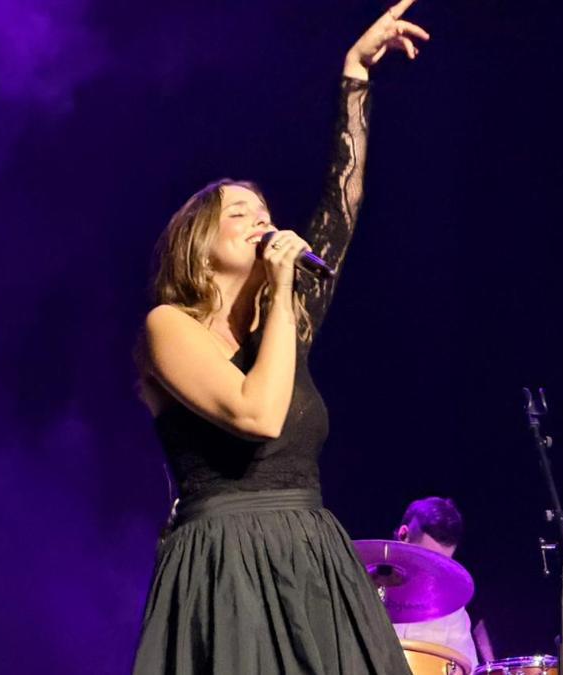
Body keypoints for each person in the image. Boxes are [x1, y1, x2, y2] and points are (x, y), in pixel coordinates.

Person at [131, 2, 430, 673]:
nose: (262, 221)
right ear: (199, 245)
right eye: (240, 213)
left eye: (265, 211)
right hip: (225, 563)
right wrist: (287, 285)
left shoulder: (282, 319)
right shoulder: (166, 326)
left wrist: (355, 78)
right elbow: (255, 412)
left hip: (311, 559)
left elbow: (341, 205)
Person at [392, 497, 485, 669]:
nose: (432, 573)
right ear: (404, 535)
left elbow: (468, 667)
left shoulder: (451, 609)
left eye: (440, 564)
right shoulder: (366, 590)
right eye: (426, 560)